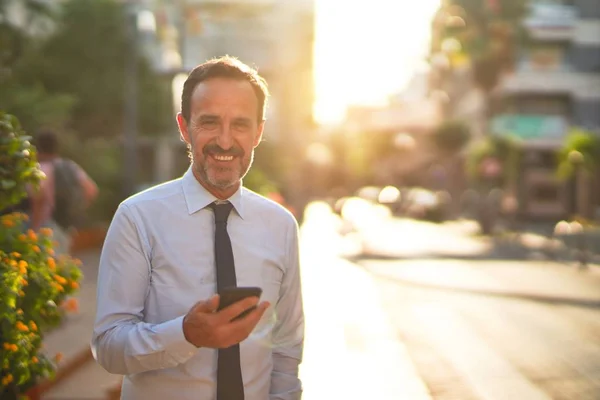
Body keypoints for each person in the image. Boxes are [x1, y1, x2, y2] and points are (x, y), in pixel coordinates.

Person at [92, 56, 304, 400]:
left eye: (239, 124)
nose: (224, 141)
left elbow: (286, 350)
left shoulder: (280, 225)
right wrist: (186, 334)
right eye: (209, 122)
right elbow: (108, 347)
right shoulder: (137, 218)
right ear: (184, 127)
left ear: (258, 132)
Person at [29, 129, 98, 254]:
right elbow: (91, 190)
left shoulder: (40, 169)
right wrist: (76, 209)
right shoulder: (69, 166)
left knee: (46, 265)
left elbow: (39, 198)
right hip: (66, 223)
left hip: (46, 224)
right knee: (61, 264)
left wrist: (34, 228)